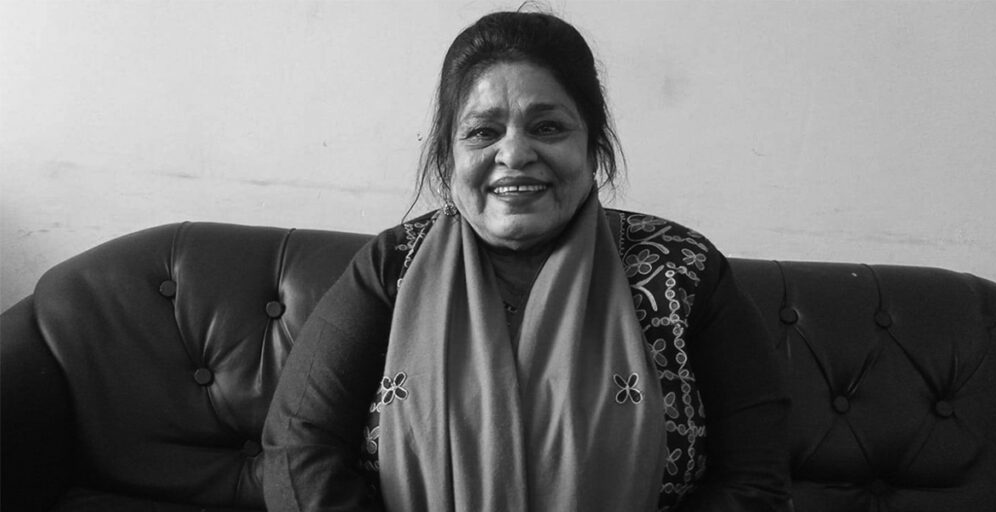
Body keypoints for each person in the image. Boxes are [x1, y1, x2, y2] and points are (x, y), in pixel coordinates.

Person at [262, 10, 789, 512]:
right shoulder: (392, 265)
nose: (514, 154)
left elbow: (753, 475)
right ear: (448, 157)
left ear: (593, 148)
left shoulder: (683, 270)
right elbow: (299, 450)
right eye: (483, 132)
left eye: (548, 127)